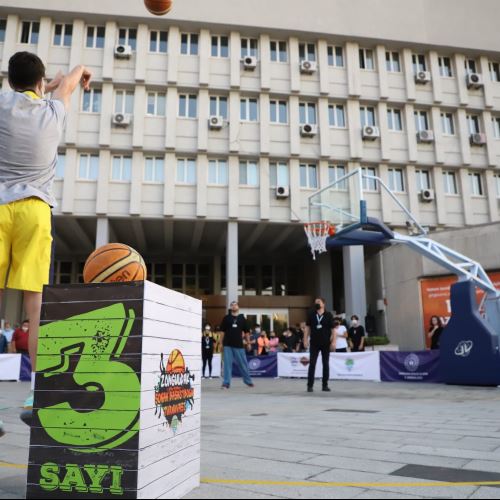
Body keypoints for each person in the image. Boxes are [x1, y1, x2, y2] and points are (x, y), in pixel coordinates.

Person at [0, 52, 92, 412]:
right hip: (35, 211)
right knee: (35, 308)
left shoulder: (3, 101)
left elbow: (28, 89)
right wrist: (79, 72)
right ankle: (38, 391)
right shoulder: (53, 111)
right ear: (41, 84)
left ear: (9, 80)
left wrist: (44, 84)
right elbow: (68, 82)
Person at [220, 301, 254, 389]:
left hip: (239, 345)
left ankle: (248, 381)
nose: (234, 306)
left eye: (235, 305)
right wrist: (220, 343)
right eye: (232, 305)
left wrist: (249, 343)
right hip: (227, 344)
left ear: (238, 307)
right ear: (230, 308)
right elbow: (222, 332)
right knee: (227, 364)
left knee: (243, 364)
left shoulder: (242, 318)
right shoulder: (226, 318)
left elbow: (246, 332)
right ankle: (226, 383)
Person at [304, 298, 335, 393]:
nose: (317, 303)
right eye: (315, 302)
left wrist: (333, 342)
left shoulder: (328, 315)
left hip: (326, 343)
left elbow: (333, 330)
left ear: (323, 304)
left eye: (319, 302)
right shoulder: (311, 314)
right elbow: (307, 328)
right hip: (314, 343)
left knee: (325, 363)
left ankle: (325, 385)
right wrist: (305, 339)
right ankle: (310, 386)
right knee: (312, 364)